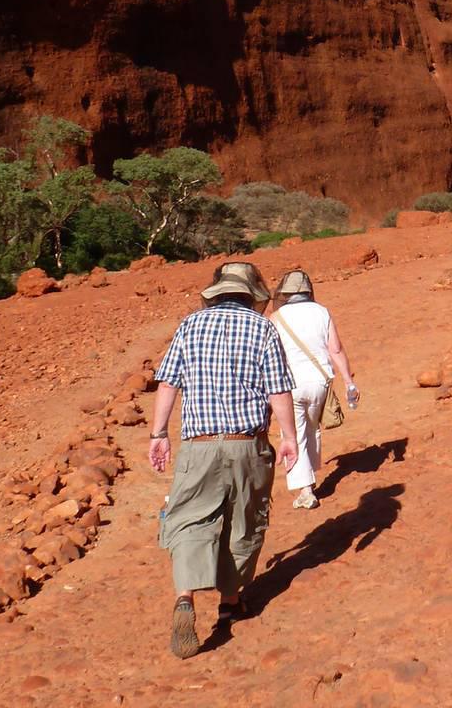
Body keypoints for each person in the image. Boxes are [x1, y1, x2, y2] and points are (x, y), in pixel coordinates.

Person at [149, 262, 297, 659]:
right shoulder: (262, 328)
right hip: (246, 444)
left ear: (214, 293)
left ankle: (185, 598)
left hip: (198, 445)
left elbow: (168, 383)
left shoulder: (189, 326)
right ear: (252, 296)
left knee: (189, 518)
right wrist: (289, 437)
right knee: (242, 520)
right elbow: (278, 389)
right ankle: (230, 602)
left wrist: (158, 433)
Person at [267, 269, 359, 511]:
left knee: (294, 433)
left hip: (288, 385)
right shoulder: (322, 312)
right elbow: (335, 350)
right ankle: (310, 474)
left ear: (285, 293)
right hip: (320, 383)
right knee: (311, 428)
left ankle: (305, 490)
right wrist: (349, 382)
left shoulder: (276, 317)